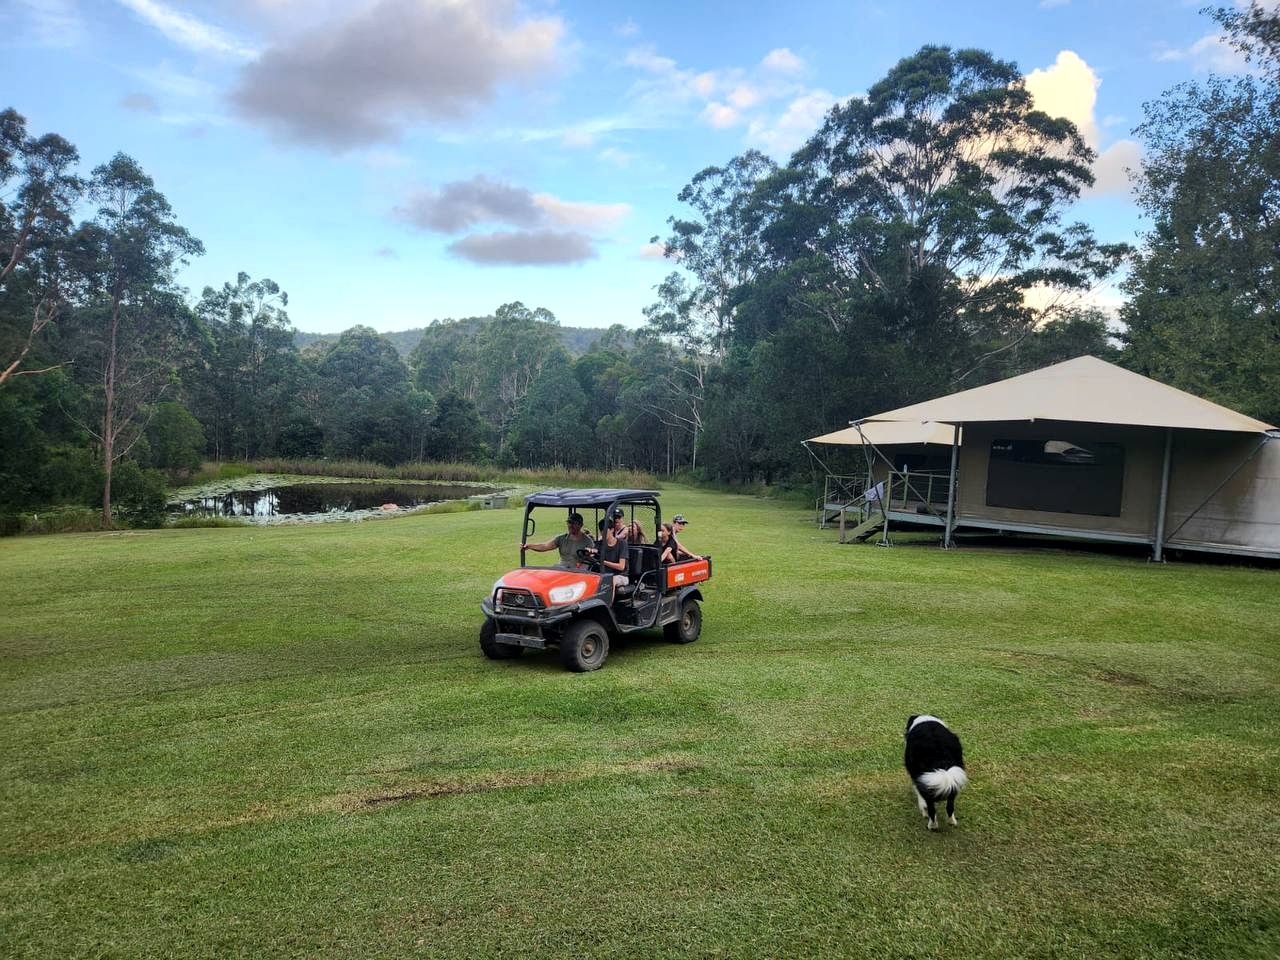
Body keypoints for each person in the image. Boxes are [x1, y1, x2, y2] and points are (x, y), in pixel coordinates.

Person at [524, 512, 594, 569]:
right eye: (569, 522)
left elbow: (590, 558)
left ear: (580, 525)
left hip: (579, 571)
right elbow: (545, 546)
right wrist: (529, 546)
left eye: (574, 523)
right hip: (562, 569)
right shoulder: (561, 539)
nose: (570, 525)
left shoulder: (588, 541)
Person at [595, 516, 629, 594]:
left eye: (605, 531)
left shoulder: (621, 544)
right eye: (601, 531)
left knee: (611, 580)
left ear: (612, 530)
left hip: (621, 576)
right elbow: (594, 551)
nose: (603, 533)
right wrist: (590, 552)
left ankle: (608, 605)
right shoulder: (599, 544)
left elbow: (621, 566)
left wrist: (604, 562)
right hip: (603, 574)